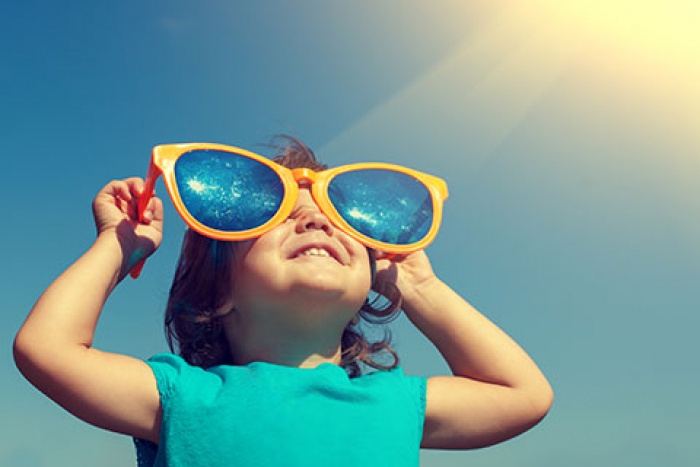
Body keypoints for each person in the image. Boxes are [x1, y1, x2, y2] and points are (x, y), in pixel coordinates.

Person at [14, 137, 553, 466]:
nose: (316, 220)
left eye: (339, 222)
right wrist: (120, 242)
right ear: (218, 292)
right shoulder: (187, 395)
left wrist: (419, 287)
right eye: (283, 220)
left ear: (370, 280)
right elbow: (47, 348)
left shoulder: (394, 402)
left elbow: (523, 394)